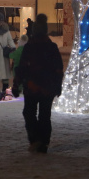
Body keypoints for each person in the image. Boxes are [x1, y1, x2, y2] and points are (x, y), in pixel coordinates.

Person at [13, 14, 63, 153]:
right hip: (47, 87)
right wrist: (57, 85)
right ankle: (42, 142)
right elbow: (58, 69)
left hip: (32, 86)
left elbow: (21, 67)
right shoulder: (51, 47)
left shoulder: (30, 47)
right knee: (44, 115)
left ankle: (36, 139)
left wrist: (17, 84)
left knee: (30, 113)